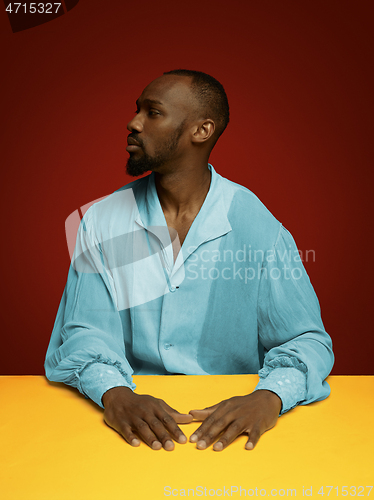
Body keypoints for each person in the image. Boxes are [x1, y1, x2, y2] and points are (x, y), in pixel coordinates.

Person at [45, 69, 334, 452]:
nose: (133, 123)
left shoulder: (257, 225)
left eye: (153, 112)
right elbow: (84, 331)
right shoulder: (102, 220)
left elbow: (307, 339)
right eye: (138, 110)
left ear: (202, 131)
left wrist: (270, 398)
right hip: (129, 424)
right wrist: (114, 393)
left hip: (231, 430)